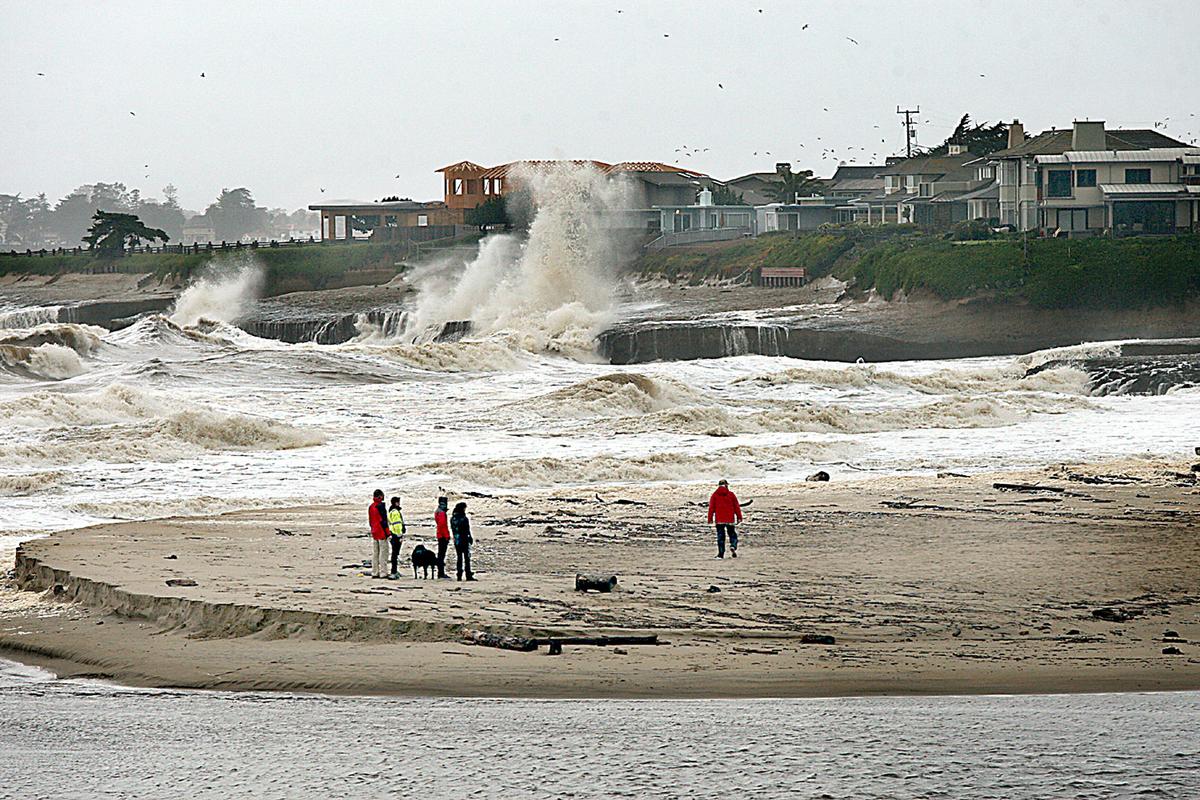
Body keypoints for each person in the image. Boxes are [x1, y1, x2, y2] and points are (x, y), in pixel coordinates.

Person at [707, 479, 743, 559]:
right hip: (730, 519)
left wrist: (710, 518)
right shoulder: (731, 494)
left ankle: (721, 554)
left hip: (719, 519)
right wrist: (739, 517)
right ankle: (733, 546)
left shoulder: (715, 495)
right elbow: (736, 507)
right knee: (732, 534)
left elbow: (711, 508)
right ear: (726, 485)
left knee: (721, 537)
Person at [367, 489, 391, 578]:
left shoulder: (371, 507)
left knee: (375, 553)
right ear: (380, 496)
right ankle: (383, 572)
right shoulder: (380, 506)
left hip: (374, 531)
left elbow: (370, 520)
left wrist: (372, 528)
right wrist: (388, 532)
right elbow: (383, 521)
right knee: (383, 553)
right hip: (381, 532)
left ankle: (375, 571)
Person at [450, 501, 475, 581]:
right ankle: (468, 574)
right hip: (464, 539)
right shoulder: (464, 518)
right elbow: (467, 530)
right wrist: (470, 537)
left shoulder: (453, 518)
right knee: (466, 558)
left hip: (456, 540)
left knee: (459, 558)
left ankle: (459, 574)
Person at [387, 496, 405, 580]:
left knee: (395, 554)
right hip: (396, 535)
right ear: (396, 503)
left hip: (392, 534)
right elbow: (397, 524)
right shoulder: (395, 512)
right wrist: (400, 535)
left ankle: (394, 570)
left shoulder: (391, 511)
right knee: (395, 554)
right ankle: (393, 571)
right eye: (398, 502)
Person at [434, 496, 451, 579]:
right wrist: (447, 536)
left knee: (440, 554)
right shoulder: (441, 513)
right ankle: (441, 573)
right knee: (441, 555)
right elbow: (443, 525)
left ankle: (440, 572)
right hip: (442, 536)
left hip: (440, 535)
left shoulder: (438, 511)